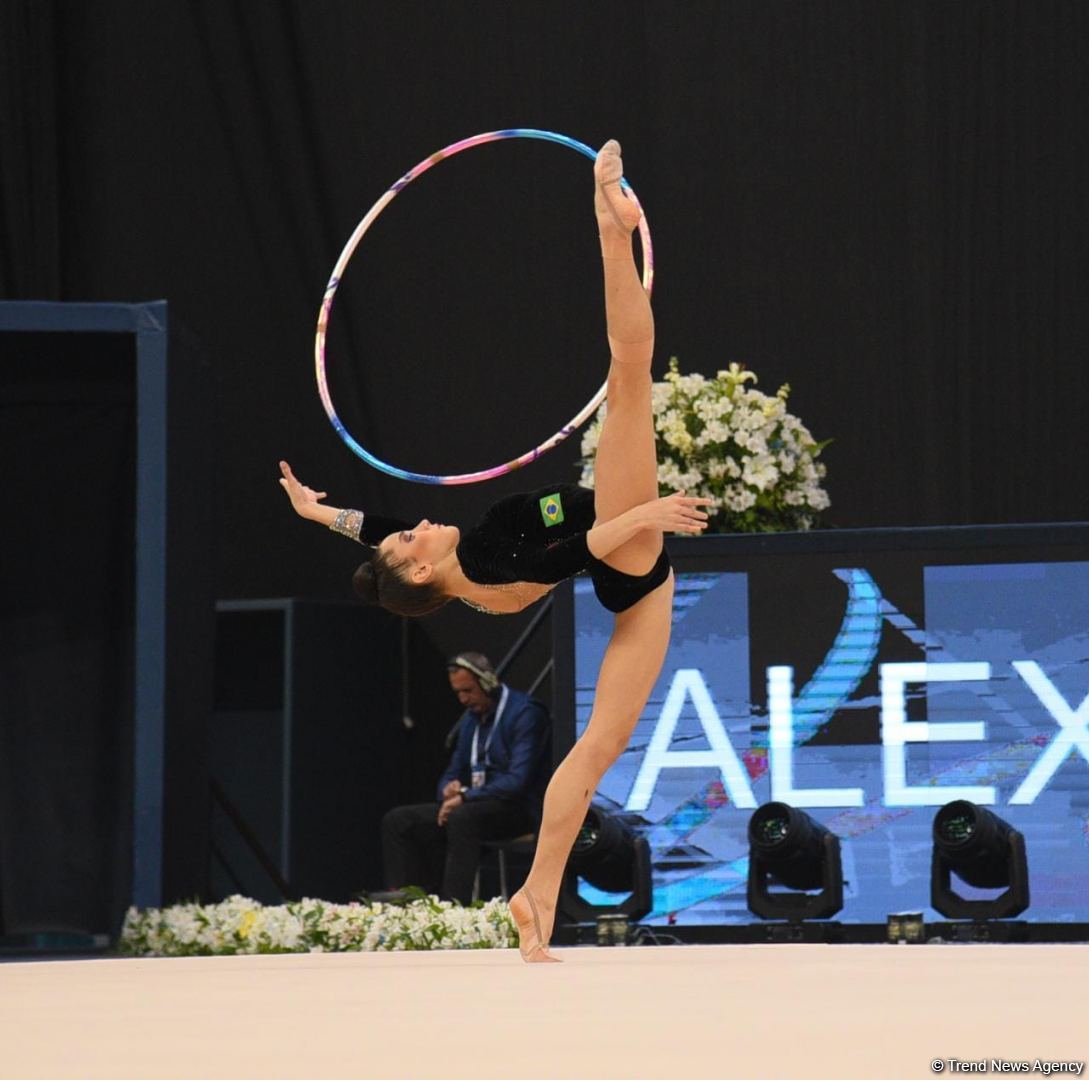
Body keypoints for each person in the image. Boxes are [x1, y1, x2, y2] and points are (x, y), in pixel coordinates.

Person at [280, 139, 710, 960]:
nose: (412, 525)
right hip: (621, 550)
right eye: (410, 539)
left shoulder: (444, 565)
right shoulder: (486, 571)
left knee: (631, 371)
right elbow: (584, 550)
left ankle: (536, 897)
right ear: (423, 570)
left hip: (631, 569)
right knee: (627, 369)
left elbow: (376, 535)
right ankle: (606, 222)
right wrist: (650, 509)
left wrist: (315, 516)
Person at [380, 652, 550, 904]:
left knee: (462, 817)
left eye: (468, 691)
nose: (463, 699)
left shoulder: (525, 713)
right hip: (475, 805)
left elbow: (517, 781)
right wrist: (448, 790)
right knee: (399, 820)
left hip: (518, 809)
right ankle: (404, 906)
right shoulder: (471, 720)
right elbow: (453, 770)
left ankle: (453, 908)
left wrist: (465, 796)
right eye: (458, 693)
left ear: (488, 682)